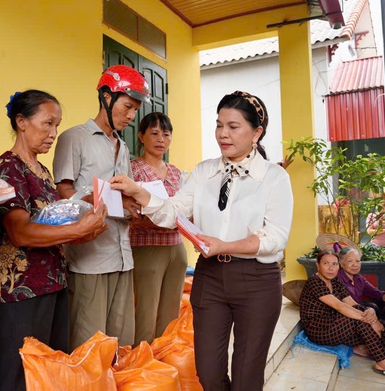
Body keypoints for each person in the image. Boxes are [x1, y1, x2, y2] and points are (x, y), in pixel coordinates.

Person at [111, 90, 293, 390]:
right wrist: (140, 192)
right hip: (210, 278)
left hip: (256, 281)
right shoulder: (204, 171)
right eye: (219, 125)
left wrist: (225, 245)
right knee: (207, 371)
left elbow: (275, 237)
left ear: (256, 132)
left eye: (233, 127)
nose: (223, 134)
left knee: (247, 376)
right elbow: (174, 211)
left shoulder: (274, 177)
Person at [0, 90, 108, 391]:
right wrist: (78, 230)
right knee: (19, 374)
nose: (53, 133)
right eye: (47, 124)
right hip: (19, 291)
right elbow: (21, 233)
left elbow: (53, 229)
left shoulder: (41, 171)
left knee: (51, 370)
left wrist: (88, 229)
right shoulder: (8, 167)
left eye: (57, 125)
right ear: (21, 122)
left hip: (52, 282)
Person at [52, 64, 149, 349]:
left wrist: (133, 206)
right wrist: (100, 202)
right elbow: (64, 191)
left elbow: (125, 192)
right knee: (88, 343)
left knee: (119, 343)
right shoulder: (74, 138)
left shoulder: (123, 146)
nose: (132, 116)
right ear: (106, 97)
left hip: (122, 255)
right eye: (128, 107)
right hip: (89, 258)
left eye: (135, 110)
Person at [300, 250, 385, 389]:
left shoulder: (335, 282)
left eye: (334, 264)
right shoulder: (314, 282)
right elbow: (339, 306)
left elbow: (352, 304)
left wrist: (369, 312)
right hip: (318, 328)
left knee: (383, 324)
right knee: (359, 321)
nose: (330, 267)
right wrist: (372, 321)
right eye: (326, 263)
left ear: (338, 266)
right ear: (318, 265)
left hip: (335, 324)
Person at [129, 112, 187, 344]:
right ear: (141, 136)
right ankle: (142, 362)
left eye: (166, 133)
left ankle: (164, 360)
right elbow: (130, 211)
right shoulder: (133, 170)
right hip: (147, 247)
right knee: (145, 311)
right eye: (154, 133)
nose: (161, 138)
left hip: (176, 249)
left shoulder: (176, 172)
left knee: (171, 312)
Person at [337, 246, 385, 330]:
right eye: (350, 261)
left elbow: (378, 294)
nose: (355, 264)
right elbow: (347, 304)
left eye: (357, 261)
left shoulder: (359, 279)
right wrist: (369, 309)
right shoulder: (337, 278)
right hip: (346, 313)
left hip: (360, 310)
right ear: (341, 263)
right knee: (372, 307)